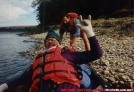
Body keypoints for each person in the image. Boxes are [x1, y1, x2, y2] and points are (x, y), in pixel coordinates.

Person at [0, 15, 102, 92]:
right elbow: (21, 79)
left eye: (53, 39)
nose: (49, 41)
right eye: (47, 40)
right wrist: (3, 87)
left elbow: (97, 54)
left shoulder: (67, 53)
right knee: (20, 88)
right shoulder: (39, 60)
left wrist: (90, 33)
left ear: (59, 42)